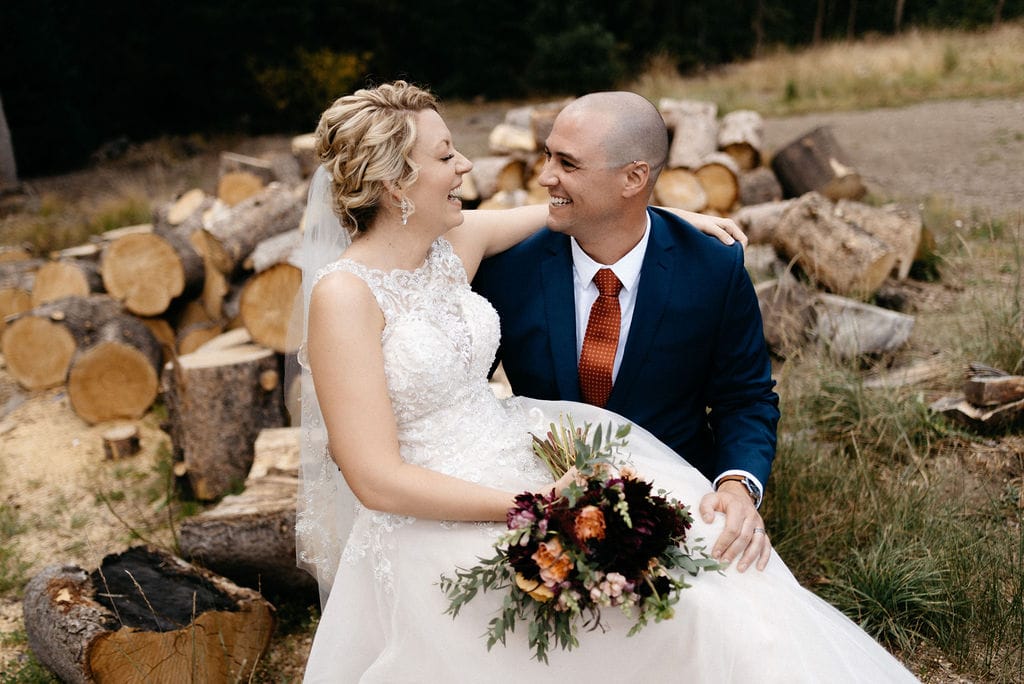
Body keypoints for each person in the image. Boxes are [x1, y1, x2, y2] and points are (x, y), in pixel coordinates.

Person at [296, 80, 919, 682]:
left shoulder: (455, 245)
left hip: (539, 459)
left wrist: (657, 212)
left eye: (566, 162)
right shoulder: (353, 294)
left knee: (726, 607)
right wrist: (536, 505)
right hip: (451, 514)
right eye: (444, 155)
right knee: (643, 621)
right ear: (394, 181)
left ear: (634, 176)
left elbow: (567, 213)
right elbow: (373, 478)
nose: (465, 165)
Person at [472, 91, 778, 574]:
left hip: (674, 503)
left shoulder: (713, 269)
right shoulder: (507, 267)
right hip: (538, 502)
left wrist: (736, 486)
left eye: (568, 163)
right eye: (547, 156)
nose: (546, 176)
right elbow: (466, 395)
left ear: (634, 178)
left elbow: (745, 398)